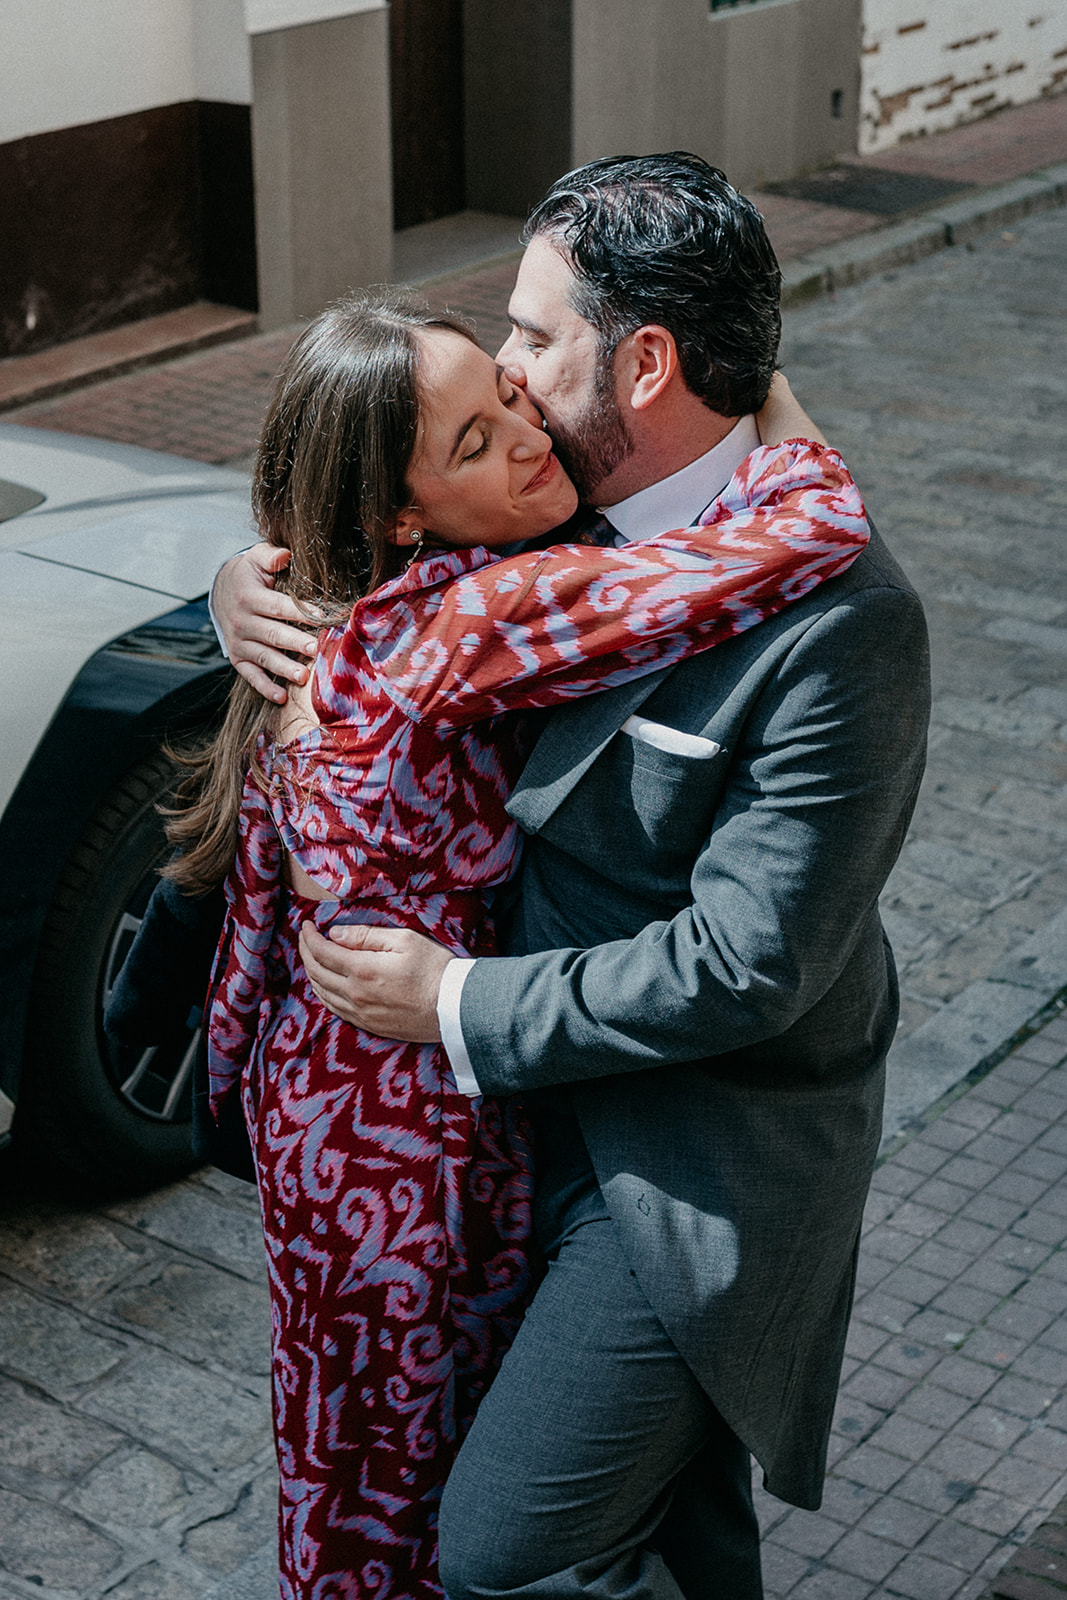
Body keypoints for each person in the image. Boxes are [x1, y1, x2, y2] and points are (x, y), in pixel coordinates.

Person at [195, 283, 870, 1600]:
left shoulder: (346, 608)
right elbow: (815, 528)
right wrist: (760, 382)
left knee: (346, 1468)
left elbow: (252, 920)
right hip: (414, 1140)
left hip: (321, 1114)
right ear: (398, 513)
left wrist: (234, 577)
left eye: (506, 390)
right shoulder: (466, 625)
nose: (523, 433)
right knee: (436, 1499)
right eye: (467, 444)